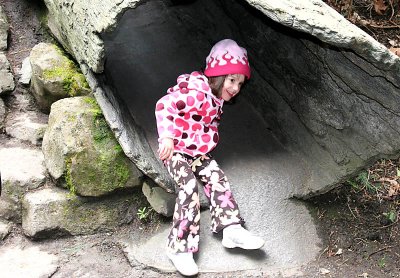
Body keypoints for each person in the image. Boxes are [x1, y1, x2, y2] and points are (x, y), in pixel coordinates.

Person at [155, 39, 265, 276]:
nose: (236, 88)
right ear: (217, 76)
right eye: (232, 80)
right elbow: (164, 105)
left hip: (198, 153)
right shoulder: (197, 94)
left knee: (217, 179)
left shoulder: (216, 98)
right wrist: (167, 138)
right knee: (188, 187)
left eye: (240, 83)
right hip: (176, 152)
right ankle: (179, 248)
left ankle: (231, 228)